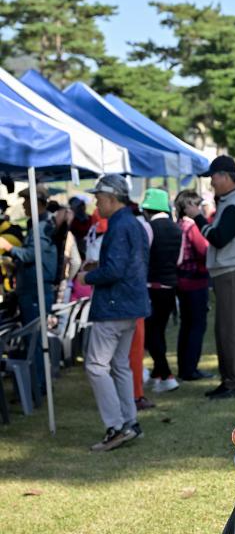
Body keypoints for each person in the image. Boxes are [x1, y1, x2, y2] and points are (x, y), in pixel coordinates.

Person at [75, 175, 150, 452]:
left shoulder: (119, 225)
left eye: (98, 199)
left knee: (97, 366)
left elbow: (115, 270)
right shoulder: (134, 223)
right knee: (120, 366)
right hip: (130, 305)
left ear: (111, 198)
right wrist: (99, 267)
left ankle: (117, 427)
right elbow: (129, 264)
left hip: (114, 306)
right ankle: (129, 422)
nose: (96, 204)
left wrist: (87, 277)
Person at [187, 155, 235, 399]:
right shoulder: (230, 201)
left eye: (213, 178)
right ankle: (229, 380)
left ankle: (234, 382)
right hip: (229, 271)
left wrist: (196, 216)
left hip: (231, 272)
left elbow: (218, 238)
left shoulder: (234, 204)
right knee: (224, 329)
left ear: (225, 177)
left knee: (229, 329)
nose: (211, 183)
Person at [0, 185, 57, 397]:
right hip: (34, 290)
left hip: (35, 292)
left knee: (35, 341)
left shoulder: (40, 227)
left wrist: (8, 247)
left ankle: (38, 386)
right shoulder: (41, 224)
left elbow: (33, 255)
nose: (23, 206)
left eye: (26, 202)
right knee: (35, 341)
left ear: (37, 203)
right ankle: (37, 385)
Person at [140, 188, 182, 393]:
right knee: (159, 331)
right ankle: (158, 374)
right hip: (170, 287)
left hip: (151, 287)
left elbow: (143, 257)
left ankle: (166, 375)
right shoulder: (177, 229)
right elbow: (179, 260)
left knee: (152, 334)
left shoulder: (148, 227)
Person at [175, 190, 212, 381]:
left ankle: (184, 367)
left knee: (186, 325)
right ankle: (190, 369)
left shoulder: (179, 225)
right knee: (197, 326)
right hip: (195, 281)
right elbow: (204, 251)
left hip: (181, 281)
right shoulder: (192, 226)